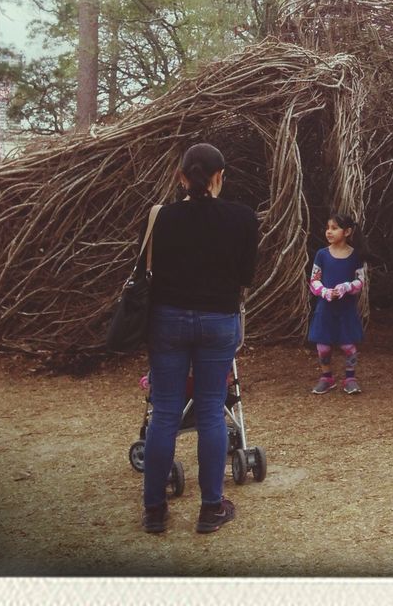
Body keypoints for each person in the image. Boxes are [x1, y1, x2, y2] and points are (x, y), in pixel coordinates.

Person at [141, 142, 259, 535]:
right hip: (218, 320)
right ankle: (211, 508)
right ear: (219, 177)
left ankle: (154, 510)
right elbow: (246, 275)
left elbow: (146, 269)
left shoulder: (160, 218)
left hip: (167, 320)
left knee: (165, 413)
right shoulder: (242, 218)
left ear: (181, 177)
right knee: (211, 411)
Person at [307, 213, 367, 395]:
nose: (329, 232)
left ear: (347, 231)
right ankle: (327, 377)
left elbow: (360, 281)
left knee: (348, 345)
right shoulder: (322, 255)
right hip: (325, 308)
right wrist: (324, 291)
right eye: (328, 228)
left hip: (346, 309)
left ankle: (350, 377)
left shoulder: (356, 256)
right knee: (323, 346)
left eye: (334, 228)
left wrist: (347, 287)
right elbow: (314, 280)